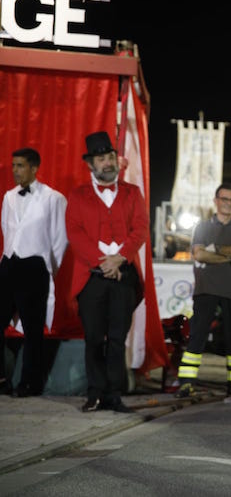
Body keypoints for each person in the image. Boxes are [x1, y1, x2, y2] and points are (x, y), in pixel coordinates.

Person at [66, 131, 148, 413]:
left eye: (110, 157)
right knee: (93, 337)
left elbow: (140, 230)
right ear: (91, 163)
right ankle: (94, 392)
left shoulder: (132, 193)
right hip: (91, 276)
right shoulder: (78, 196)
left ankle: (114, 394)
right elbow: (74, 233)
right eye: (101, 159)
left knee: (117, 338)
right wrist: (102, 262)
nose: (107, 163)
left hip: (123, 275)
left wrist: (119, 259)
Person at [175, 184, 231, 399]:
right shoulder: (202, 227)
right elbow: (199, 255)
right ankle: (186, 382)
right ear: (216, 201)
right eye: (225, 199)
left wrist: (214, 250)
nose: (229, 204)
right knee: (197, 335)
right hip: (206, 287)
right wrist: (229, 255)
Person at [0, 148, 67, 396]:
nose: (15, 170)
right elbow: (7, 231)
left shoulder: (54, 198)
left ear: (34, 167)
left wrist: (49, 269)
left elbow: (60, 239)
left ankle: (30, 383)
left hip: (35, 266)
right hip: (9, 264)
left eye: (20, 165)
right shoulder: (8, 197)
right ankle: (1, 379)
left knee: (32, 329)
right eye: (13, 165)